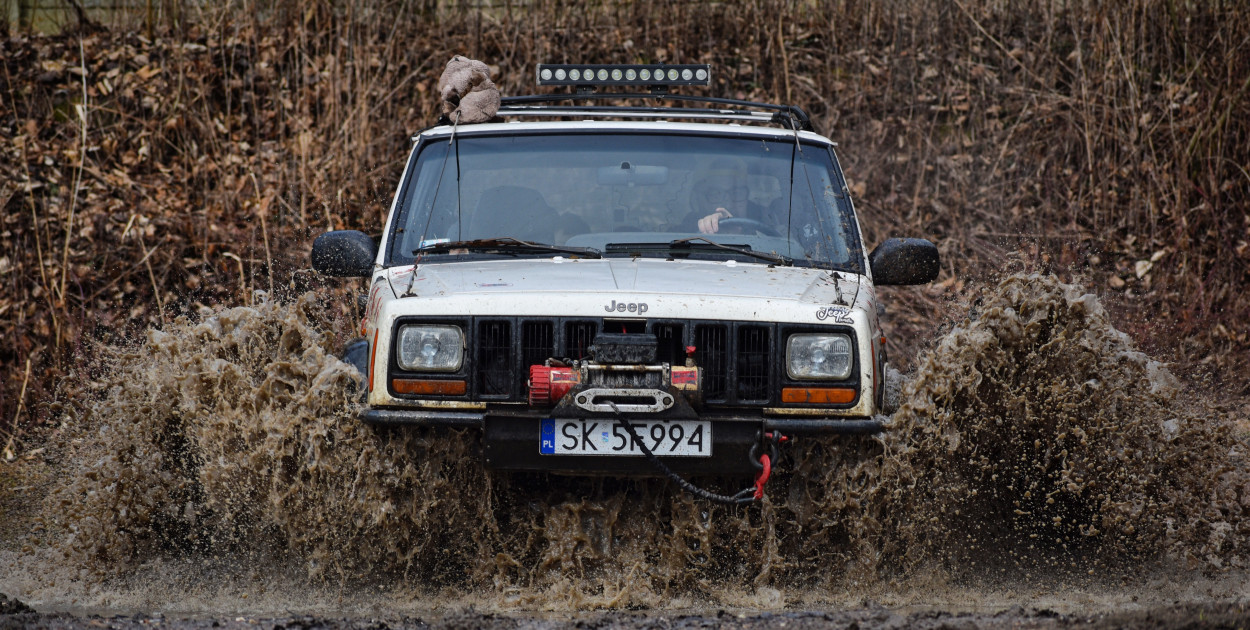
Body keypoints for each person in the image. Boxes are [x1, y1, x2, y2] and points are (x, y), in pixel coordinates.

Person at [682, 158, 771, 234]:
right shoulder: (679, 235)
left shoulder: (768, 226)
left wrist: (740, 235)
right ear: (700, 199)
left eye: (737, 193)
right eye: (715, 194)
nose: (728, 205)